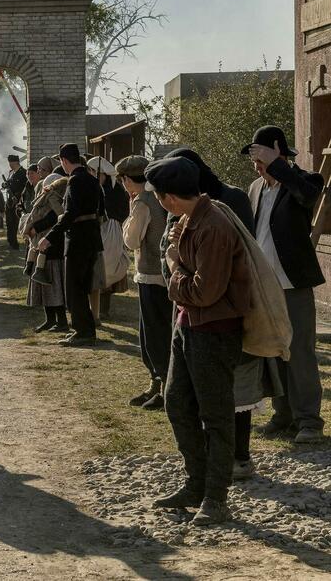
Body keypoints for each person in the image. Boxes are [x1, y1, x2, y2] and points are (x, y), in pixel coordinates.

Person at [147, 156, 251, 526]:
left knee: (216, 415)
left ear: (169, 198)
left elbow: (205, 292)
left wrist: (174, 264)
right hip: (188, 324)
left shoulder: (214, 226)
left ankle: (216, 497)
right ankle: (196, 483)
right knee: (177, 402)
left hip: (214, 330)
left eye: (159, 197)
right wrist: (178, 259)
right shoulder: (189, 219)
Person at [246, 126, 326, 444]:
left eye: (261, 159)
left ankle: (309, 421)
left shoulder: (305, 180)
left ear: (278, 151)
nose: (257, 166)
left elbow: (307, 196)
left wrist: (277, 163)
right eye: (255, 160)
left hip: (293, 284)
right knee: (273, 351)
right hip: (264, 286)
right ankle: (283, 415)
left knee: (300, 352)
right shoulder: (255, 188)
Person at [117, 155, 170, 410]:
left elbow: (131, 240)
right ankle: (157, 385)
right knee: (159, 332)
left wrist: (129, 213)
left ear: (128, 180)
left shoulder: (142, 202)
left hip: (151, 274)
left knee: (154, 336)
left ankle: (164, 388)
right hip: (164, 274)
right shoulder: (160, 195)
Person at [37, 143, 102, 347]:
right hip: (92, 238)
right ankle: (86, 330)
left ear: (64, 161)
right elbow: (101, 209)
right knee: (82, 287)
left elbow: (70, 213)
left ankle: (83, 332)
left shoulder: (74, 180)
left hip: (77, 240)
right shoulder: (92, 179)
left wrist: (49, 237)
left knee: (74, 289)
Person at [22, 177, 69, 332]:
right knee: (45, 286)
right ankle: (50, 319)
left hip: (51, 248)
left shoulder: (56, 202)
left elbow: (53, 219)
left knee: (53, 287)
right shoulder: (50, 200)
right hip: (43, 246)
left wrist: (35, 228)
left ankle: (61, 321)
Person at [88, 156, 129, 321]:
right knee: (97, 269)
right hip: (98, 231)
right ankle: (95, 309)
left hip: (111, 231)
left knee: (107, 267)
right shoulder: (94, 187)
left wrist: (112, 220)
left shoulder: (115, 189)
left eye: (95, 172)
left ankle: (103, 309)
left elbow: (122, 210)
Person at [3, 155, 27, 250]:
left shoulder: (23, 172)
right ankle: (10, 241)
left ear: (16, 162)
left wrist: (17, 197)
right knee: (9, 222)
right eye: (9, 162)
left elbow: (25, 187)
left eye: (11, 162)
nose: (10, 164)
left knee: (15, 222)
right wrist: (5, 185)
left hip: (18, 201)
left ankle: (14, 243)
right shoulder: (11, 172)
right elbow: (8, 184)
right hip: (9, 201)